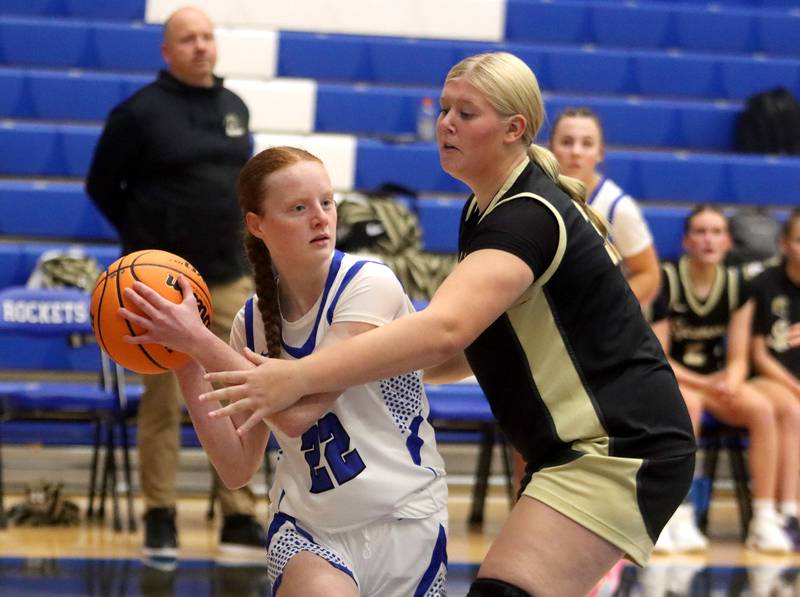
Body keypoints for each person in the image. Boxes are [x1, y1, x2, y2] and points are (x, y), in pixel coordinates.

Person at [199, 52, 696, 597]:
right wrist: (365, 362)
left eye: (466, 113)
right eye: (444, 109)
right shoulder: (482, 212)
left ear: (514, 129)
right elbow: (459, 354)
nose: (446, 124)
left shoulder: (527, 214)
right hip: (567, 447)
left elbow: (445, 331)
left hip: (620, 442)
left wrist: (298, 375)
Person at [118, 146, 449, 596]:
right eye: (299, 208)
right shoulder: (250, 323)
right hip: (310, 529)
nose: (321, 218)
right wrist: (180, 358)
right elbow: (236, 468)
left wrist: (198, 340)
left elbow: (297, 415)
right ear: (257, 225)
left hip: (406, 520)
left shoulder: (370, 285)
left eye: (327, 202)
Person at [84, 6, 265, 559]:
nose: (201, 47)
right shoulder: (138, 113)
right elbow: (100, 187)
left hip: (229, 277)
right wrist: (146, 245)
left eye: (208, 38)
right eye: (187, 39)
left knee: (239, 396)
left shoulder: (234, 106)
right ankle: (160, 515)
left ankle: (238, 517)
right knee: (161, 404)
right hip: (157, 290)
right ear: (167, 51)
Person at [650, 204, 800, 553]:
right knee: (688, 403)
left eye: (716, 232)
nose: (708, 239)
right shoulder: (667, 279)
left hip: (712, 381)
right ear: (686, 240)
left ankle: (764, 518)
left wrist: (732, 379)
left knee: (762, 407)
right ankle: (676, 512)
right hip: (669, 379)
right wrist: (709, 384)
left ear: (728, 241)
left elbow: (738, 356)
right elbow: (658, 357)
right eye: (700, 232)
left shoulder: (738, 286)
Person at [550, 107, 661, 308]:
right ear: (550, 148)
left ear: (600, 153)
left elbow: (648, 274)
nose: (576, 152)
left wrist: (605, 311)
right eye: (567, 142)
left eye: (587, 144)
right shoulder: (537, 193)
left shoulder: (618, 207)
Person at [748, 208, 800, 545]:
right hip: (770, 380)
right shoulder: (765, 284)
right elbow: (758, 354)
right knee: (793, 410)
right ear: (783, 245)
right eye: (799, 240)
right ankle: (787, 511)